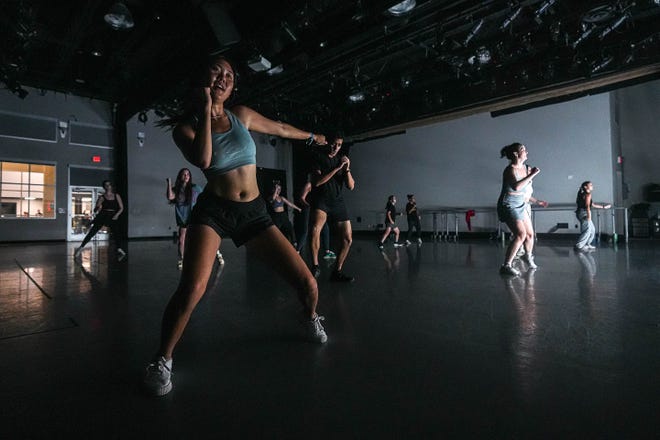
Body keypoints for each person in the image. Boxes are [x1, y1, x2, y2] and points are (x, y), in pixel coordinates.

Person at [143, 55, 328, 397]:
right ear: (203, 78)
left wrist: (313, 136)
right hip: (213, 212)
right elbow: (204, 160)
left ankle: (310, 315)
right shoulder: (185, 128)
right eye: (217, 71)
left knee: (307, 282)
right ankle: (162, 358)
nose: (225, 78)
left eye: (230, 74)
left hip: (255, 213)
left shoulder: (240, 115)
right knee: (192, 289)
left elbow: (281, 128)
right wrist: (205, 109)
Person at [308, 133, 355, 282]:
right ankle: (315, 266)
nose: (336, 147)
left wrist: (346, 169)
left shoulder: (340, 160)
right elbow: (317, 182)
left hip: (337, 201)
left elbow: (351, 186)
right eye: (334, 144)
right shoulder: (318, 158)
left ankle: (337, 271)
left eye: (340, 145)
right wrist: (336, 168)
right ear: (328, 143)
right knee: (315, 229)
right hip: (322, 200)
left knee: (348, 239)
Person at [496, 142, 540, 276]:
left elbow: (527, 188)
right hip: (509, 204)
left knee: (530, 234)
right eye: (523, 150)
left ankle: (527, 256)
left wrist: (535, 200)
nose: (526, 152)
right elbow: (517, 187)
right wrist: (532, 175)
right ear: (516, 154)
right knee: (520, 235)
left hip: (521, 203)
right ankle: (506, 265)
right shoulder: (510, 169)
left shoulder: (526, 167)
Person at [73, 180, 126, 260]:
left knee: (117, 233)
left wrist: (116, 215)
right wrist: (98, 206)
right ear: (104, 187)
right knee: (92, 232)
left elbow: (121, 208)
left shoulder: (116, 196)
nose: (107, 186)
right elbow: (96, 209)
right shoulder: (102, 197)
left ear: (111, 186)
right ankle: (81, 248)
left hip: (113, 216)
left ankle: (119, 248)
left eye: (109, 185)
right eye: (106, 185)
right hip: (103, 215)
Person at [167, 168, 203, 269]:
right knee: (182, 240)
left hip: (194, 216)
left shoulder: (195, 188)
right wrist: (169, 183)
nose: (186, 176)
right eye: (184, 174)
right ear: (180, 176)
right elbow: (170, 196)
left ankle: (202, 257)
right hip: (183, 218)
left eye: (188, 174)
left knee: (197, 239)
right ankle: (181, 258)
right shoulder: (177, 189)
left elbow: (204, 195)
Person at [293, 174, 334, 259]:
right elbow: (302, 198)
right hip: (309, 209)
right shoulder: (309, 184)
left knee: (326, 228)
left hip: (317, 210)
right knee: (305, 231)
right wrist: (308, 206)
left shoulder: (319, 185)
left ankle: (327, 251)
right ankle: (297, 251)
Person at [574, 181, 611, 251]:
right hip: (584, 213)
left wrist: (603, 207)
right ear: (585, 187)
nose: (592, 186)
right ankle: (579, 245)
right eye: (590, 185)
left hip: (582, 213)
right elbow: (588, 207)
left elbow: (592, 204)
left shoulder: (584, 194)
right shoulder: (587, 195)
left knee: (592, 230)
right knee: (587, 230)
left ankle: (587, 244)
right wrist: (589, 216)